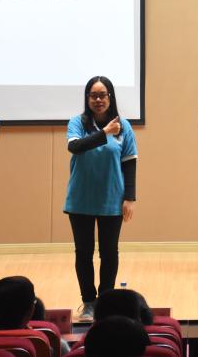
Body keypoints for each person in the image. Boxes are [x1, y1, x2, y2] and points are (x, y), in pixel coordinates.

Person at [64, 76, 137, 321]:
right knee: (83, 253)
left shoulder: (123, 126)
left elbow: (129, 162)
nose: (98, 100)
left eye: (102, 95)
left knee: (109, 253)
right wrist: (105, 133)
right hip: (80, 200)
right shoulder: (77, 123)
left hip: (112, 199)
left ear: (110, 97)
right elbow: (75, 147)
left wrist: (130, 197)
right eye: (93, 95)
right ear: (87, 98)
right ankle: (88, 303)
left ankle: (105, 302)